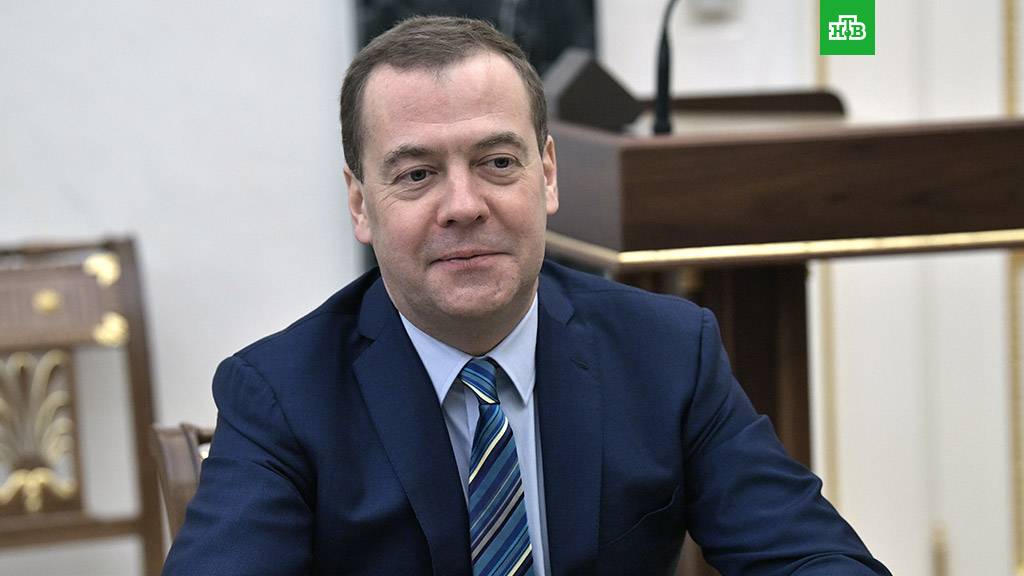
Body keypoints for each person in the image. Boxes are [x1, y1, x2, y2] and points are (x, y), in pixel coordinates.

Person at [162, 16, 891, 576]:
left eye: (497, 162)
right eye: (416, 175)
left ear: (547, 175)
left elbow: (812, 556)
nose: (463, 205)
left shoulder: (669, 352)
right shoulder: (281, 396)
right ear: (360, 204)